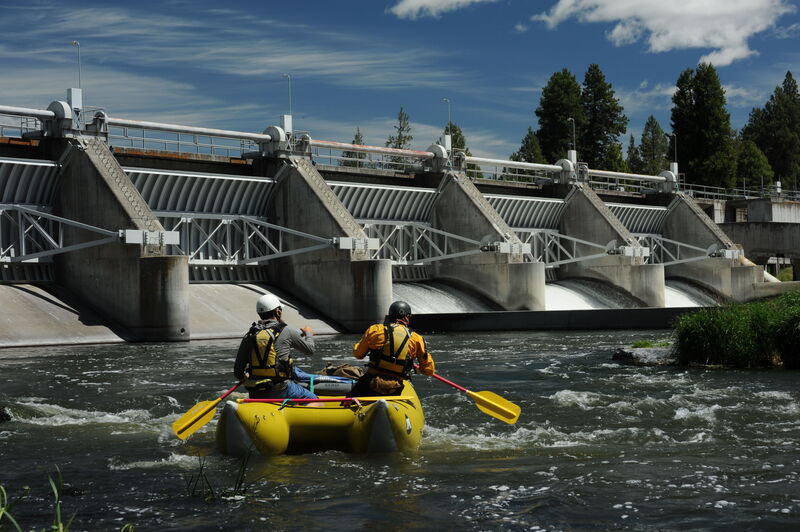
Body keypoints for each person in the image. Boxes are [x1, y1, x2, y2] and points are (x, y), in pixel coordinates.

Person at [233, 293, 319, 400]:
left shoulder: (250, 335)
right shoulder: (287, 330)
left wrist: (244, 376)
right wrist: (309, 334)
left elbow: (238, 372)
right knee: (315, 400)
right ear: (278, 311)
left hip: (255, 392)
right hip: (281, 389)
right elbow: (310, 350)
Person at [350, 300, 435, 396]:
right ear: (406, 317)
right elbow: (429, 370)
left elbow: (358, 354)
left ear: (390, 315)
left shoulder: (375, 329)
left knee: (351, 396)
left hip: (371, 380)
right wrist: (416, 367)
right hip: (396, 387)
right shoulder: (417, 339)